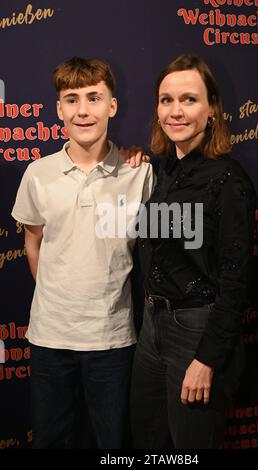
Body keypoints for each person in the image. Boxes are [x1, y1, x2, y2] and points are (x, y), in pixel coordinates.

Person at [11, 56, 155, 449]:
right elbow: (33, 242)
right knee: (50, 439)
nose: (83, 110)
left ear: (112, 105)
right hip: (49, 339)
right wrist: (59, 298)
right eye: (72, 99)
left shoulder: (139, 172)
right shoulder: (37, 174)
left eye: (94, 98)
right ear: (59, 110)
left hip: (113, 340)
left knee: (114, 442)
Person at [130, 54, 257, 449]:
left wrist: (207, 360)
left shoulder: (228, 180)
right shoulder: (163, 170)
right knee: (147, 443)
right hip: (151, 328)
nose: (176, 111)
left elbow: (236, 281)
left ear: (212, 109)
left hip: (197, 333)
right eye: (166, 100)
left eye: (188, 99)